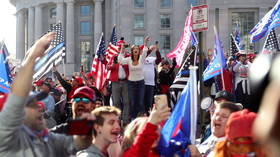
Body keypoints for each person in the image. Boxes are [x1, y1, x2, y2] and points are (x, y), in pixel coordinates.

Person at [0, 32, 91, 157]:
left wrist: (84, 120)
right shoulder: (7, 140)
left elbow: (79, 143)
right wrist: (31, 58)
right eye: (31, 105)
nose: (39, 106)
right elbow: (16, 96)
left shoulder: (47, 139)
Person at [118, 36, 150, 119]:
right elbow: (120, 60)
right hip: (131, 83)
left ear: (139, 51)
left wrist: (145, 43)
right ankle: (133, 119)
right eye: (134, 49)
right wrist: (122, 49)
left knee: (140, 102)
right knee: (132, 102)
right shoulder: (128, 59)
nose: (135, 50)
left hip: (140, 83)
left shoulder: (141, 59)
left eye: (137, 49)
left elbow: (145, 51)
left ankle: (142, 119)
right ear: (132, 51)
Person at [107, 55, 130, 124]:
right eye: (120, 48)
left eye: (122, 47)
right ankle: (118, 119)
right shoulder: (113, 57)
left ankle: (125, 120)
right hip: (115, 82)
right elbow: (108, 67)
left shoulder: (127, 57)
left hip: (125, 82)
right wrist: (114, 63)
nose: (121, 49)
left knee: (127, 101)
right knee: (116, 102)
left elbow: (130, 67)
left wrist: (123, 62)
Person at [143, 42, 162, 114]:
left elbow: (159, 60)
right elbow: (144, 56)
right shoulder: (139, 58)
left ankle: (148, 115)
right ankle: (142, 115)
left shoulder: (151, 59)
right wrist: (150, 50)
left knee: (149, 101)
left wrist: (157, 50)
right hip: (142, 83)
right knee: (142, 101)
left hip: (151, 84)